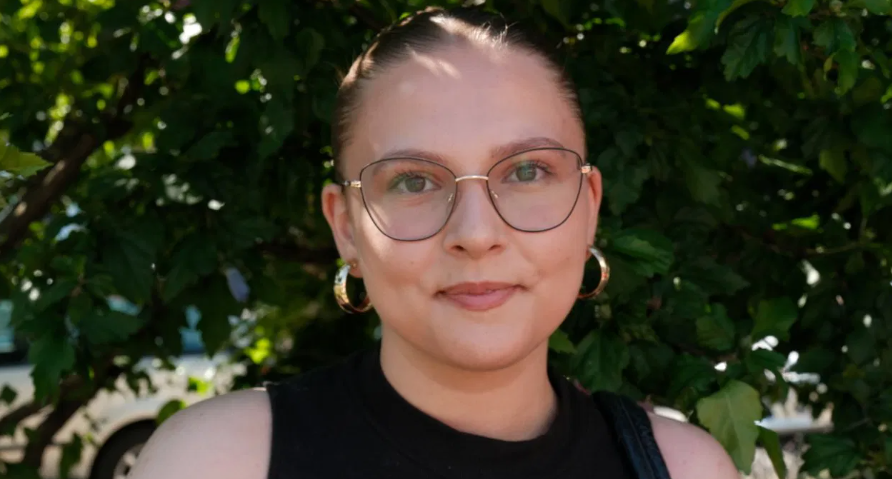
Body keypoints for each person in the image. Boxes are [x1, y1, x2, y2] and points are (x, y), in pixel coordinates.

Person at [129, 7, 739, 479]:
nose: (476, 234)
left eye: (527, 171)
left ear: (589, 209)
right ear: (346, 227)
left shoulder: (686, 470)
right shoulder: (219, 461)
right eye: (414, 181)